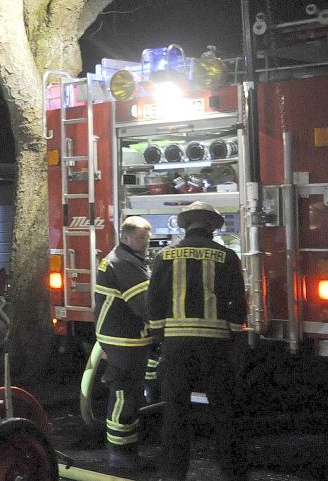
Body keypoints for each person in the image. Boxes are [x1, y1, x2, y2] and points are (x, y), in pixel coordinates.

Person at [147, 201, 247, 481]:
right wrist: (235, 337)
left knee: (176, 413)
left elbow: (154, 300)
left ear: (186, 225)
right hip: (215, 347)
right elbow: (237, 301)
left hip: (176, 347)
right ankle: (233, 473)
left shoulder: (165, 256)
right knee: (224, 412)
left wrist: (159, 336)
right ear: (212, 227)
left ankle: (173, 474)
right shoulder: (226, 256)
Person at [93, 216, 153, 474]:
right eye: (142, 238)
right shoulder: (124, 263)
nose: (147, 242)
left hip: (125, 339)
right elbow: (144, 305)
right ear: (125, 237)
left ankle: (128, 454)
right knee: (124, 398)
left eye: (148, 237)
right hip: (124, 341)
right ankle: (120, 458)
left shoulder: (126, 258)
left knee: (129, 396)